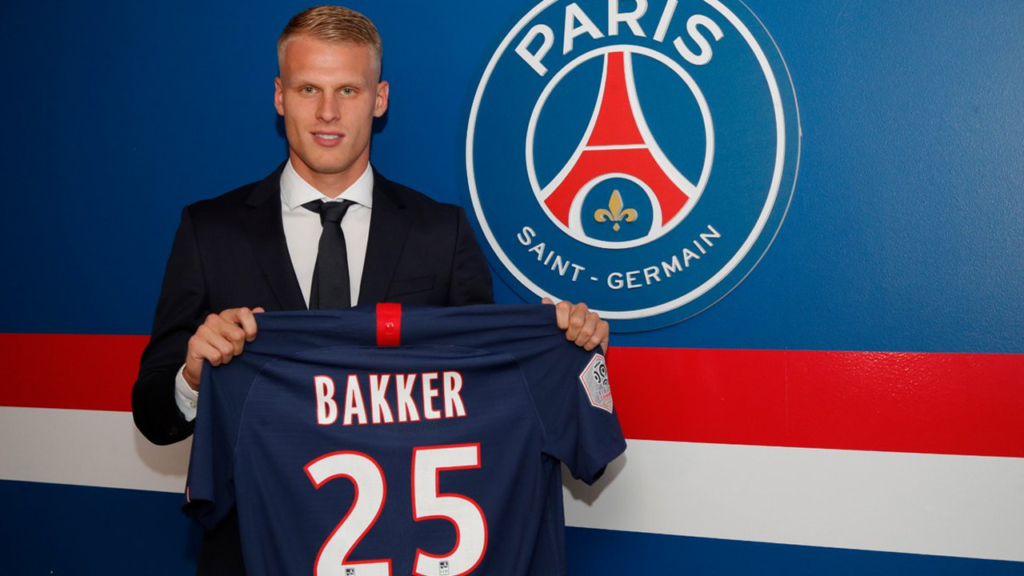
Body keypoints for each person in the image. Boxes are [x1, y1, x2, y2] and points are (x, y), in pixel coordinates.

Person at [131, 5, 608, 575]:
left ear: (379, 99)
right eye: (308, 88)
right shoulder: (210, 231)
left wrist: (570, 354)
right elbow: (153, 416)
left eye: (348, 90)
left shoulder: (441, 233)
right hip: (252, 555)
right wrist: (191, 378)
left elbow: (487, 389)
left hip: (410, 553)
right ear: (280, 96)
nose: (327, 112)